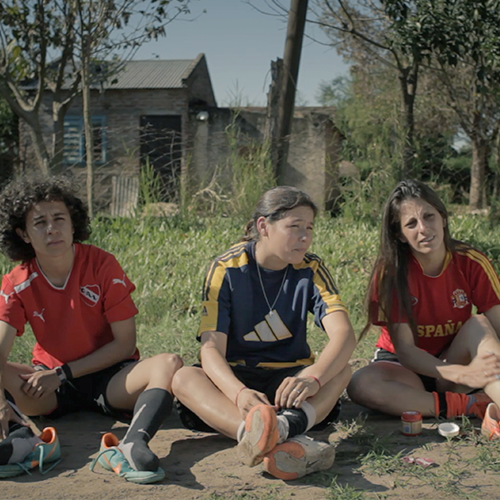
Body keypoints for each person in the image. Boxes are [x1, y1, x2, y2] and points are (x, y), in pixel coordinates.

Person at [0, 176, 182, 483]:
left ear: (73, 224)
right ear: (24, 234)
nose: (52, 229)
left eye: (59, 218)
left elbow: (124, 345)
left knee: (169, 363)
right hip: (49, 385)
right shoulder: (16, 282)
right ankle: (26, 440)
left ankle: (132, 443)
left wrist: (61, 373)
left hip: (110, 378)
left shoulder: (102, 265)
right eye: (40, 222)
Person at [172, 186, 355, 480]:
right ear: (263, 226)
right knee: (183, 378)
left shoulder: (310, 268)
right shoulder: (227, 268)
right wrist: (238, 392)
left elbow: (344, 334)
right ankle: (259, 434)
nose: (305, 237)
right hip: (239, 383)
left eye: (309, 227)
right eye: (294, 227)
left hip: (290, 384)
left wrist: (313, 377)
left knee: (342, 370)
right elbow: (210, 349)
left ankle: (280, 429)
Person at [347, 179, 500, 428]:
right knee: (361, 384)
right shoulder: (391, 273)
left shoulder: (472, 261)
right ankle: (470, 405)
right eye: (411, 223)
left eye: (429, 216)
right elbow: (406, 351)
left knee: (480, 326)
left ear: (443, 218)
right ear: (400, 235)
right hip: (405, 369)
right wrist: (464, 374)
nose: (424, 229)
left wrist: (471, 369)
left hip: (454, 359)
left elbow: (497, 328)